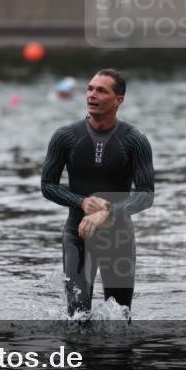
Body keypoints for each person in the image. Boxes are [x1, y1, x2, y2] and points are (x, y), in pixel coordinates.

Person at [41, 68, 155, 316]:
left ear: (118, 100)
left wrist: (109, 212)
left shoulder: (135, 140)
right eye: (90, 88)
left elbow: (146, 193)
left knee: (120, 319)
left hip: (119, 238)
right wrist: (82, 202)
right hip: (77, 235)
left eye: (101, 90)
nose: (92, 95)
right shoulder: (65, 137)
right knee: (78, 317)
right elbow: (47, 186)